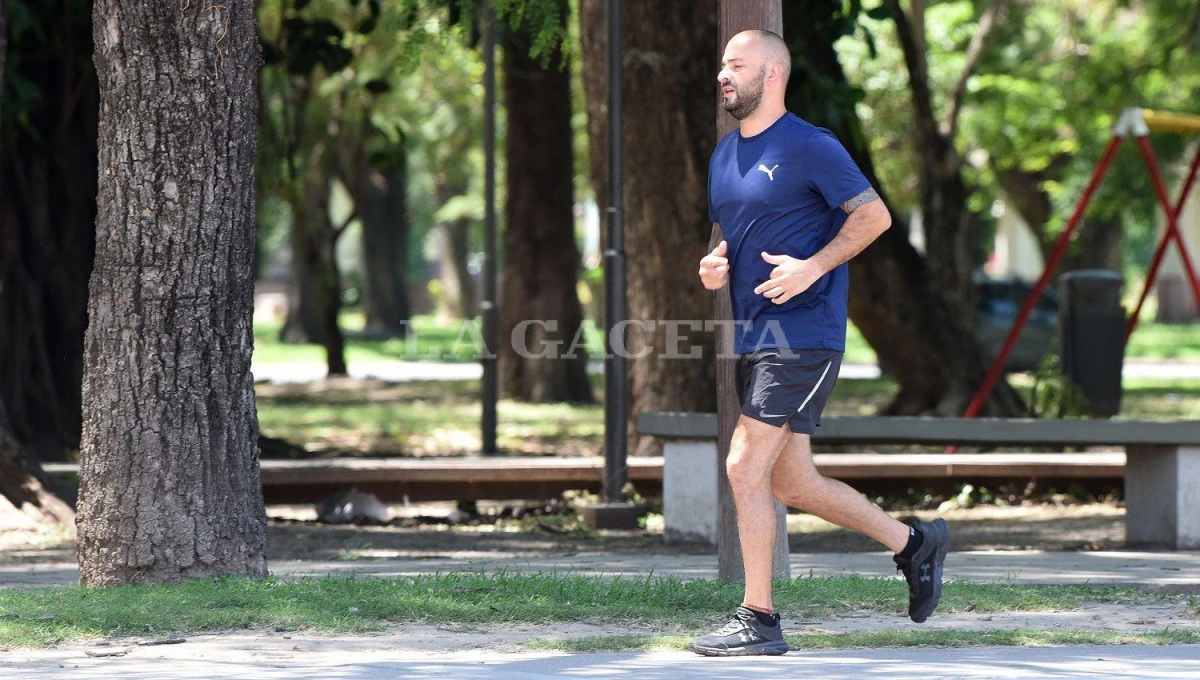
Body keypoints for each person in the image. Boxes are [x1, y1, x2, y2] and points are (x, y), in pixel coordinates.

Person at [688, 29, 951, 657]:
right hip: (754, 333)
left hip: (804, 333)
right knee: (793, 484)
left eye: (736, 66)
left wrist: (813, 266)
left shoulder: (812, 145)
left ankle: (760, 618)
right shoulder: (725, 154)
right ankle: (915, 543)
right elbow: (726, 240)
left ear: (773, 73)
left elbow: (874, 216)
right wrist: (711, 268)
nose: (724, 76)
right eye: (722, 66)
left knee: (743, 466)